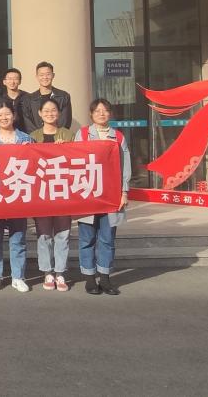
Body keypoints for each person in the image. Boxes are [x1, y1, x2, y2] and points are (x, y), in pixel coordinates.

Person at [75, 98, 130, 296]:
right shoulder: (82, 134)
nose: (101, 114)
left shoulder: (118, 136)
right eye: (97, 111)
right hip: (88, 194)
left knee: (107, 238)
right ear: (91, 114)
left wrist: (124, 192)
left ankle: (105, 278)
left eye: (105, 110)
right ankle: (90, 279)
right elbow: (74, 160)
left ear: (110, 114)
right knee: (87, 238)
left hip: (111, 194)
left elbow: (125, 165)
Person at [0, 105, 33, 293]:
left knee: (18, 238)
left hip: (18, 195)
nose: (4, 118)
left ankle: (18, 276)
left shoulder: (26, 139)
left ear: (14, 116)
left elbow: (35, 166)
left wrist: (30, 151)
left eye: (7, 114)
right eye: (0, 115)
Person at [30, 98, 75, 292]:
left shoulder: (69, 134)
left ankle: (60, 272)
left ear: (59, 113)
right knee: (44, 235)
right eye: (46, 110)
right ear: (40, 113)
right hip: (41, 193)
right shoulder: (32, 136)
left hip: (63, 192)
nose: (50, 113)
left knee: (63, 234)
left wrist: (66, 149)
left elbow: (77, 161)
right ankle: (47, 271)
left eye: (53, 110)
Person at [23, 61, 73, 130]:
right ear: (37, 77)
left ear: (53, 75)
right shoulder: (29, 99)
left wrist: (57, 134)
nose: (45, 77)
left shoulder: (64, 96)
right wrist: (37, 135)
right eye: (41, 75)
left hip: (59, 136)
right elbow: (28, 124)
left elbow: (65, 121)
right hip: (36, 136)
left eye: (48, 74)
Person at [0, 68, 30, 133]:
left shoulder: (28, 97)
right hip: (6, 133)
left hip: (25, 134)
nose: (12, 82)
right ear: (4, 82)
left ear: (20, 81)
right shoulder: (0, 99)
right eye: (9, 79)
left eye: (15, 79)